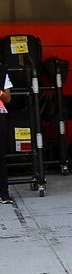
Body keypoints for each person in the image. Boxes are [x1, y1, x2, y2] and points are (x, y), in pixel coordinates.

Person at [0, 71, 12, 204]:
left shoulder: (2, 73)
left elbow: (8, 98)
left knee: (0, 155)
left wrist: (0, 93)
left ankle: (4, 192)